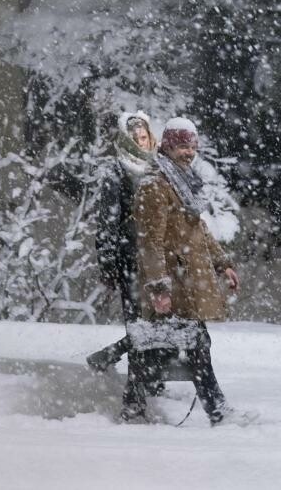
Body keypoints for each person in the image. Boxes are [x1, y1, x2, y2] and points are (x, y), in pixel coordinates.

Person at [134, 116, 240, 426]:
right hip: (174, 283)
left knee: (189, 345)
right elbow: (149, 243)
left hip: (188, 281)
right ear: (167, 146)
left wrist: (224, 264)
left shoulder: (182, 181)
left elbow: (199, 230)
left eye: (191, 145)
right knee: (196, 344)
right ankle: (217, 410)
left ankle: (144, 402)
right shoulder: (155, 185)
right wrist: (158, 289)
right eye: (181, 145)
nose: (188, 152)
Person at [86, 111, 160, 419]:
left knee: (158, 324)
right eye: (135, 137)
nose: (141, 141)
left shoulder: (159, 167)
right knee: (139, 326)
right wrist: (108, 263)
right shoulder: (116, 172)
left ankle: (118, 361)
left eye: (144, 136)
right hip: (131, 260)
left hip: (159, 261)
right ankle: (135, 396)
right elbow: (107, 222)